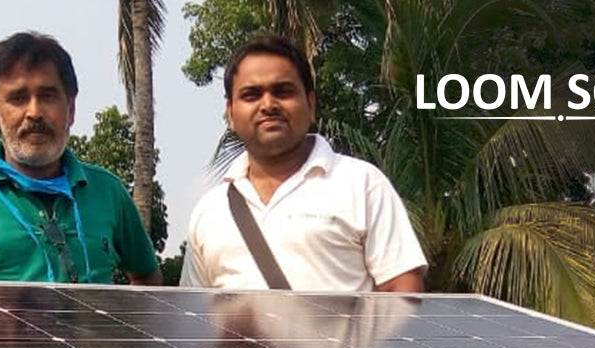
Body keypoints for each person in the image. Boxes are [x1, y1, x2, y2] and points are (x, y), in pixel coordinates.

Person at [0, 31, 161, 286]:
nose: (34, 112)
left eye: (48, 96)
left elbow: (146, 276)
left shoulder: (108, 190)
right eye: (18, 98)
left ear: (71, 109)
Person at [181, 34, 426, 292]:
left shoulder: (362, 184)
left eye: (283, 92)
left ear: (310, 105)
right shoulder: (209, 211)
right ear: (230, 113)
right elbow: (197, 313)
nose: (268, 105)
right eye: (251, 95)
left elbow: (402, 292)